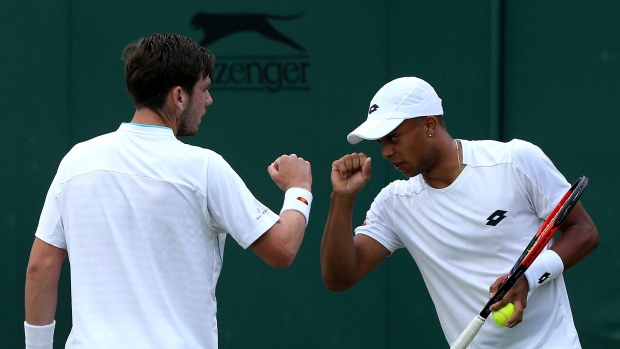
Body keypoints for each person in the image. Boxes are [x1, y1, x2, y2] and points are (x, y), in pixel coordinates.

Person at [24, 33, 313, 349]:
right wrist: (299, 188)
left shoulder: (76, 162)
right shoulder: (203, 168)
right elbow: (283, 248)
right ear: (179, 96)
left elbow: (42, 266)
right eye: (203, 89)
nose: (208, 100)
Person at [320, 76, 599, 348]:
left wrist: (527, 277)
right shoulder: (395, 203)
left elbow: (584, 231)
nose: (385, 152)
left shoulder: (515, 160)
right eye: (380, 142)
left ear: (429, 124)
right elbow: (339, 277)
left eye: (394, 138)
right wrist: (342, 198)